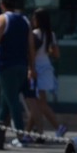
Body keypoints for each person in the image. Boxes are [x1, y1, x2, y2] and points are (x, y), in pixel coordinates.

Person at [0, 0, 36, 144]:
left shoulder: (2, 19)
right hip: (22, 65)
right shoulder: (25, 20)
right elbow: (30, 47)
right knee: (5, 101)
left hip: (6, 65)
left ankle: (20, 135)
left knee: (12, 101)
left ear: (2, 5)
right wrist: (32, 67)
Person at [28, 8, 66, 138]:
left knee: (39, 104)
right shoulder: (51, 34)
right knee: (38, 104)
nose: (33, 21)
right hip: (47, 68)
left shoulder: (34, 34)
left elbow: (31, 54)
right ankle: (29, 132)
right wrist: (47, 51)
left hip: (36, 69)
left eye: (34, 18)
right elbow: (56, 54)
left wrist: (31, 69)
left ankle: (58, 126)